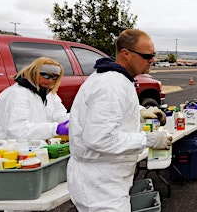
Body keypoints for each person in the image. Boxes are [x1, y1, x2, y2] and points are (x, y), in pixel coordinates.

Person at [67, 29, 171, 211]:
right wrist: (148, 140)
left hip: (106, 180)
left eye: (153, 55)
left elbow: (112, 111)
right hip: (100, 186)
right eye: (147, 55)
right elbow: (100, 138)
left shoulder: (119, 79)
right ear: (126, 54)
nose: (152, 60)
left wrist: (141, 112)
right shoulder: (110, 84)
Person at [0, 57, 69, 141]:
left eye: (55, 77)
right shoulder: (18, 93)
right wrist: (54, 129)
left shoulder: (50, 95)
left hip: (33, 145)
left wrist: (72, 122)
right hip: (7, 147)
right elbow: (18, 129)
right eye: (45, 75)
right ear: (34, 72)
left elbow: (60, 115)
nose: (50, 80)